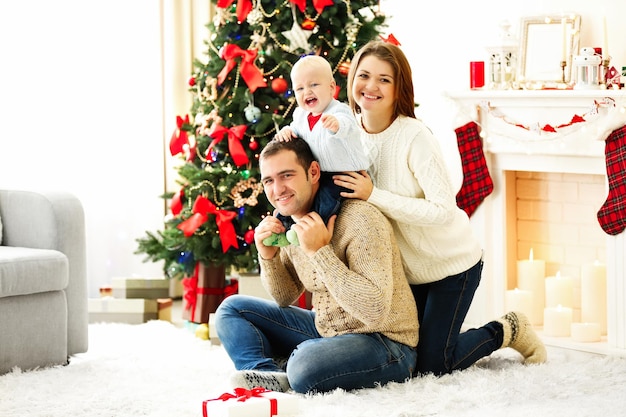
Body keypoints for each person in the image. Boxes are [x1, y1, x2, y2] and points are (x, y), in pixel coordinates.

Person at [333, 40, 547, 376]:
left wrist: (374, 194)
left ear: (399, 87)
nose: (371, 87)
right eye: (364, 75)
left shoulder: (415, 137)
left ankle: (507, 328)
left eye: (384, 80)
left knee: (433, 366)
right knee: (407, 357)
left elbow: (443, 210)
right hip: (406, 275)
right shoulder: (346, 134)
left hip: (451, 266)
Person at [214, 137, 418, 394]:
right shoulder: (289, 222)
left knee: (303, 365)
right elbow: (285, 296)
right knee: (231, 309)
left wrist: (319, 252)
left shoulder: (360, 218)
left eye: (286, 175)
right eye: (268, 181)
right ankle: (267, 375)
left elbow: (374, 309)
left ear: (313, 172)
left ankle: (294, 367)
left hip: (385, 342)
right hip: (327, 329)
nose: (277, 190)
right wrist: (268, 256)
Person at [264, 54, 369, 247]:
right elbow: (296, 129)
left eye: (314, 85)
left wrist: (338, 126)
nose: (307, 92)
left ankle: (311, 228)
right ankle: (281, 228)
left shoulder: (338, 111)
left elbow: (351, 126)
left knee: (326, 199)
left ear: (331, 88)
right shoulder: (301, 115)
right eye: (300, 88)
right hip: (319, 172)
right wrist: (287, 130)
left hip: (343, 172)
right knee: (293, 203)